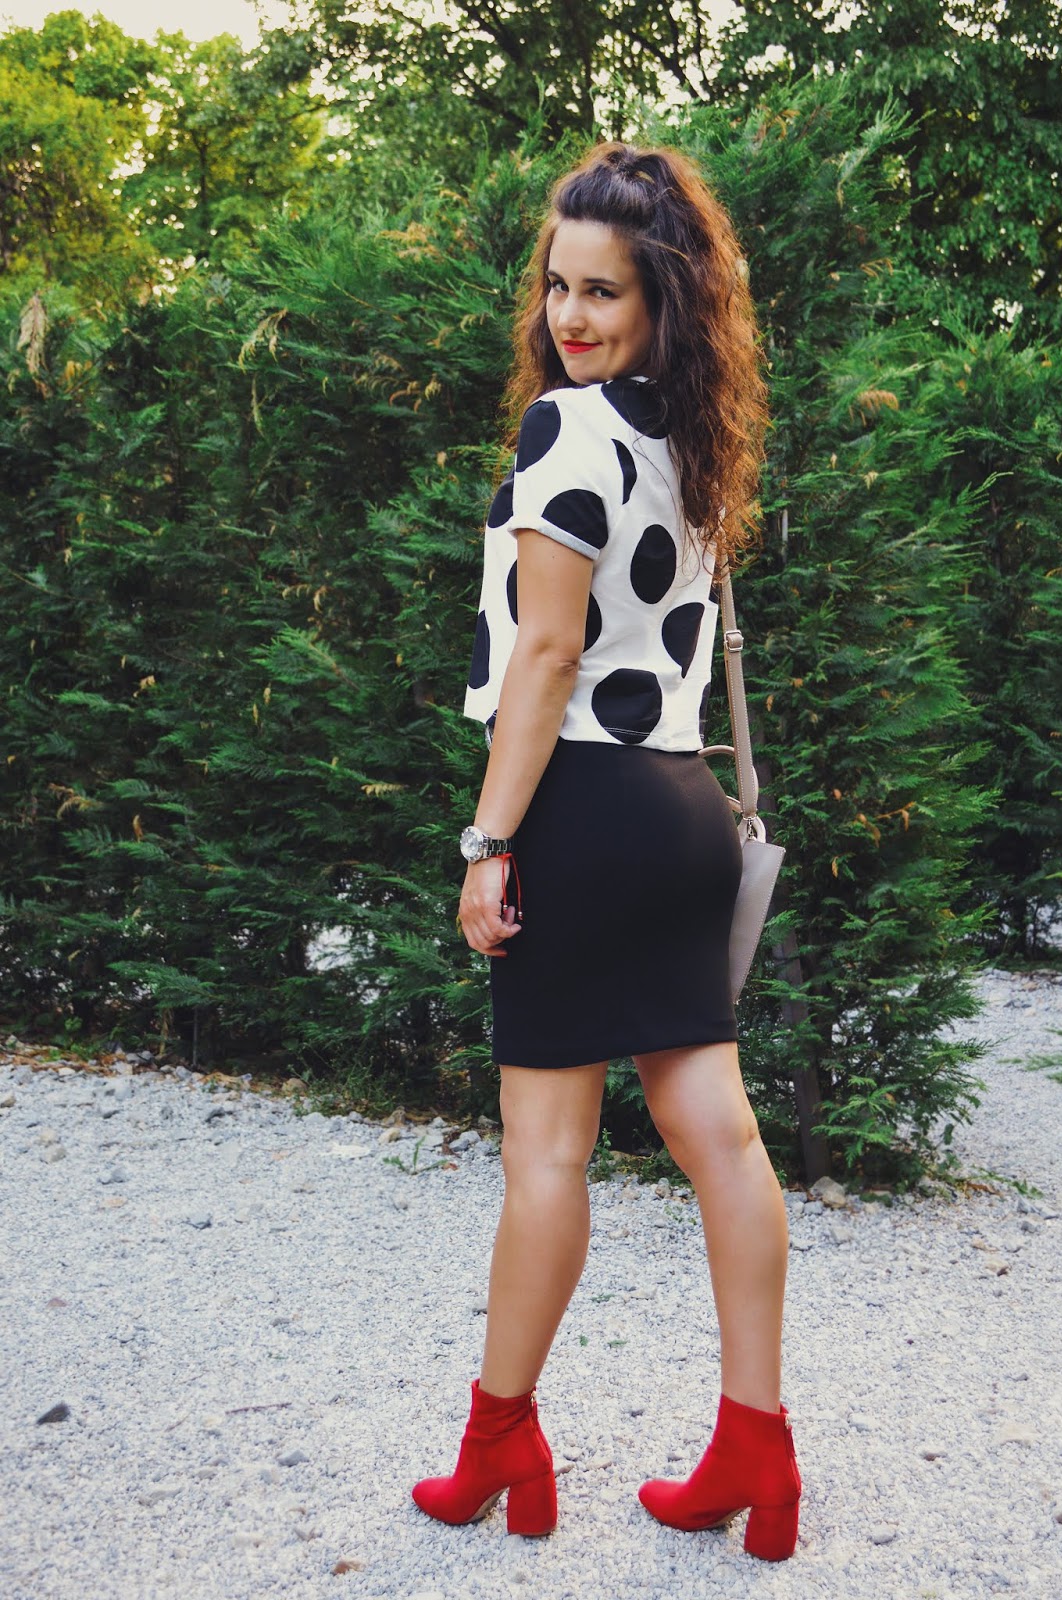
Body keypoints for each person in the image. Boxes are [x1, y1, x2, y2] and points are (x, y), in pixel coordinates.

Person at [410, 141, 802, 1562]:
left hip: (580, 814)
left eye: (604, 293)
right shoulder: (693, 439)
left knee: (548, 1157)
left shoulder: (565, 431)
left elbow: (548, 656)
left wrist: (487, 841)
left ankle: (498, 1444)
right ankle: (757, 1446)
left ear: (661, 301)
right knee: (722, 1138)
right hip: (682, 809)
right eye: (558, 287)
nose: (570, 317)